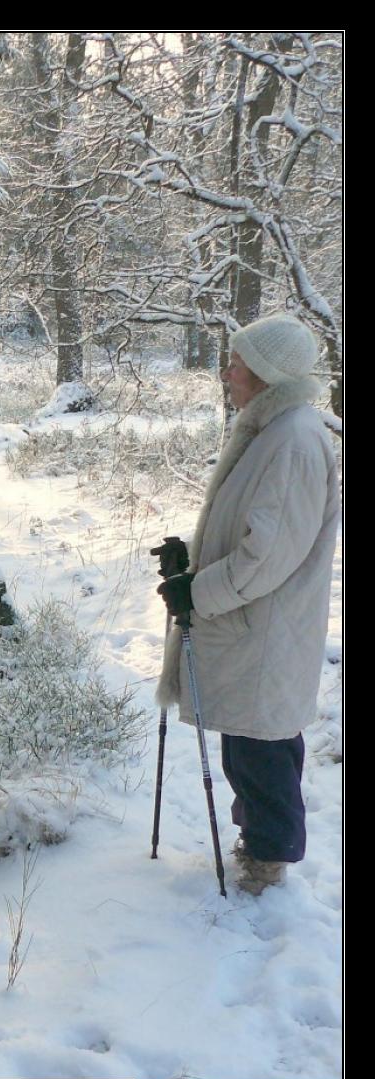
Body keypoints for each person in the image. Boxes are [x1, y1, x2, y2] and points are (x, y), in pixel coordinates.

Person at [156, 313, 340, 895]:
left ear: (264, 374)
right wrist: (189, 559)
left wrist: (198, 593)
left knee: (260, 754)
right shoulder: (275, 431)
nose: (226, 372)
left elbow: (267, 556)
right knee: (250, 746)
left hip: (263, 628)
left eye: (237, 363)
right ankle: (263, 848)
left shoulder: (292, 441)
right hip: (254, 625)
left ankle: (267, 865)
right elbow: (250, 533)